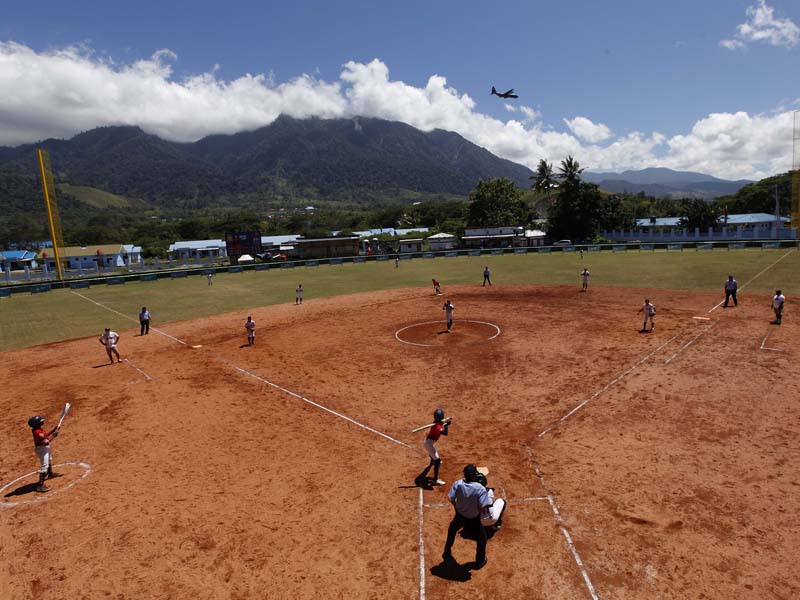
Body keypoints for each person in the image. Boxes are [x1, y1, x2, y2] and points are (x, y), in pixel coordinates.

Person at [442, 464, 491, 569]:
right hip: (473, 519)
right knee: (482, 538)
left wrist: (456, 506)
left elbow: (451, 498)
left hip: (459, 515)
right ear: (474, 475)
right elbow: (483, 506)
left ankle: (447, 550)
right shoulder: (480, 488)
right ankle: (480, 561)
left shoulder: (458, 484)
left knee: (452, 530)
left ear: (465, 475)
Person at [28, 415, 63, 493]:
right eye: (41, 421)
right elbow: (45, 442)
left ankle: (50, 474)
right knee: (45, 466)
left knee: (49, 460)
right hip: (42, 449)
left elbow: (45, 435)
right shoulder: (37, 432)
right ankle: (40, 485)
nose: (42, 421)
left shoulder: (38, 429)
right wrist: (54, 436)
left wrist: (53, 430)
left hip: (44, 448)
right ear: (36, 424)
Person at [421, 408, 450, 486]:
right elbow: (445, 433)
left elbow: (441, 423)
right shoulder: (437, 426)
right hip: (429, 444)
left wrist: (444, 422)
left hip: (429, 442)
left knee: (433, 454)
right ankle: (435, 480)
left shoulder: (437, 423)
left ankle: (432, 460)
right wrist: (446, 425)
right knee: (437, 460)